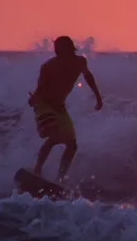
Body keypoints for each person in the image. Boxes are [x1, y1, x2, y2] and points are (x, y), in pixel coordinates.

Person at [28, 36, 103, 184]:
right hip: (44, 104)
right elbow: (40, 88)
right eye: (56, 49)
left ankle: (60, 178)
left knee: (72, 144)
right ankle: (37, 169)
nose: (57, 51)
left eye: (60, 48)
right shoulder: (48, 66)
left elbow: (89, 77)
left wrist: (98, 97)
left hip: (59, 107)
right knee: (55, 136)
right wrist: (33, 99)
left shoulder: (80, 62)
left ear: (69, 48)